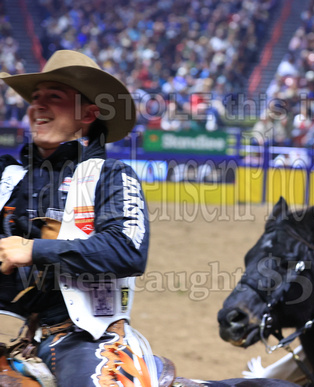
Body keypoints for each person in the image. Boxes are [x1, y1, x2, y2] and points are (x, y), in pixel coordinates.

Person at [0, 50, 154, 386]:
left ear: (89, 113)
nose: (37, 105)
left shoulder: (112, 175)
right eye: (35, 97)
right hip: (24, 337)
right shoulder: (9, 177)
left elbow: (127, 250)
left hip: (90, 341)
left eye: (53, 97)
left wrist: (34, 249)